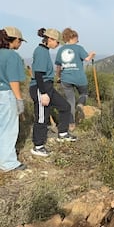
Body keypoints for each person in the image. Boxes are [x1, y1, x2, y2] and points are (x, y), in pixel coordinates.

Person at [29, 28, 77, 157]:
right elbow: (38, 74)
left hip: (47, 86)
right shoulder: (40, 52)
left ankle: (62, 133)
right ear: (50, 39)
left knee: (65, 106)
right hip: (41, 87)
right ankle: (38, 146)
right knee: (42, 117)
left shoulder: (45, 51)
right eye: (57, 42)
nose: (58, 45)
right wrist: (43, 93)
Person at [55, 27, 96, 131]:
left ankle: (71, 124)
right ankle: (81, 104)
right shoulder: (78, 48)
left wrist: (58, 76)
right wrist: (91, 54)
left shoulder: (60, 50)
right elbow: (87, 59)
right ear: (73, 37)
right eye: (77, 39)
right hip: (79, 77)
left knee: (70, 102)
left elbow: (58, 67)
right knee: (84, 93)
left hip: (66, 78)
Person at [0, 26, 27, 171]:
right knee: (8, 128)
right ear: (14, 40)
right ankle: (8, 163)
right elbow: (13, 80)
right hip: (6, 94)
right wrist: (19, 100)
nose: (20, 43)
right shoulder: (12, 56)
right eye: (20, 40)